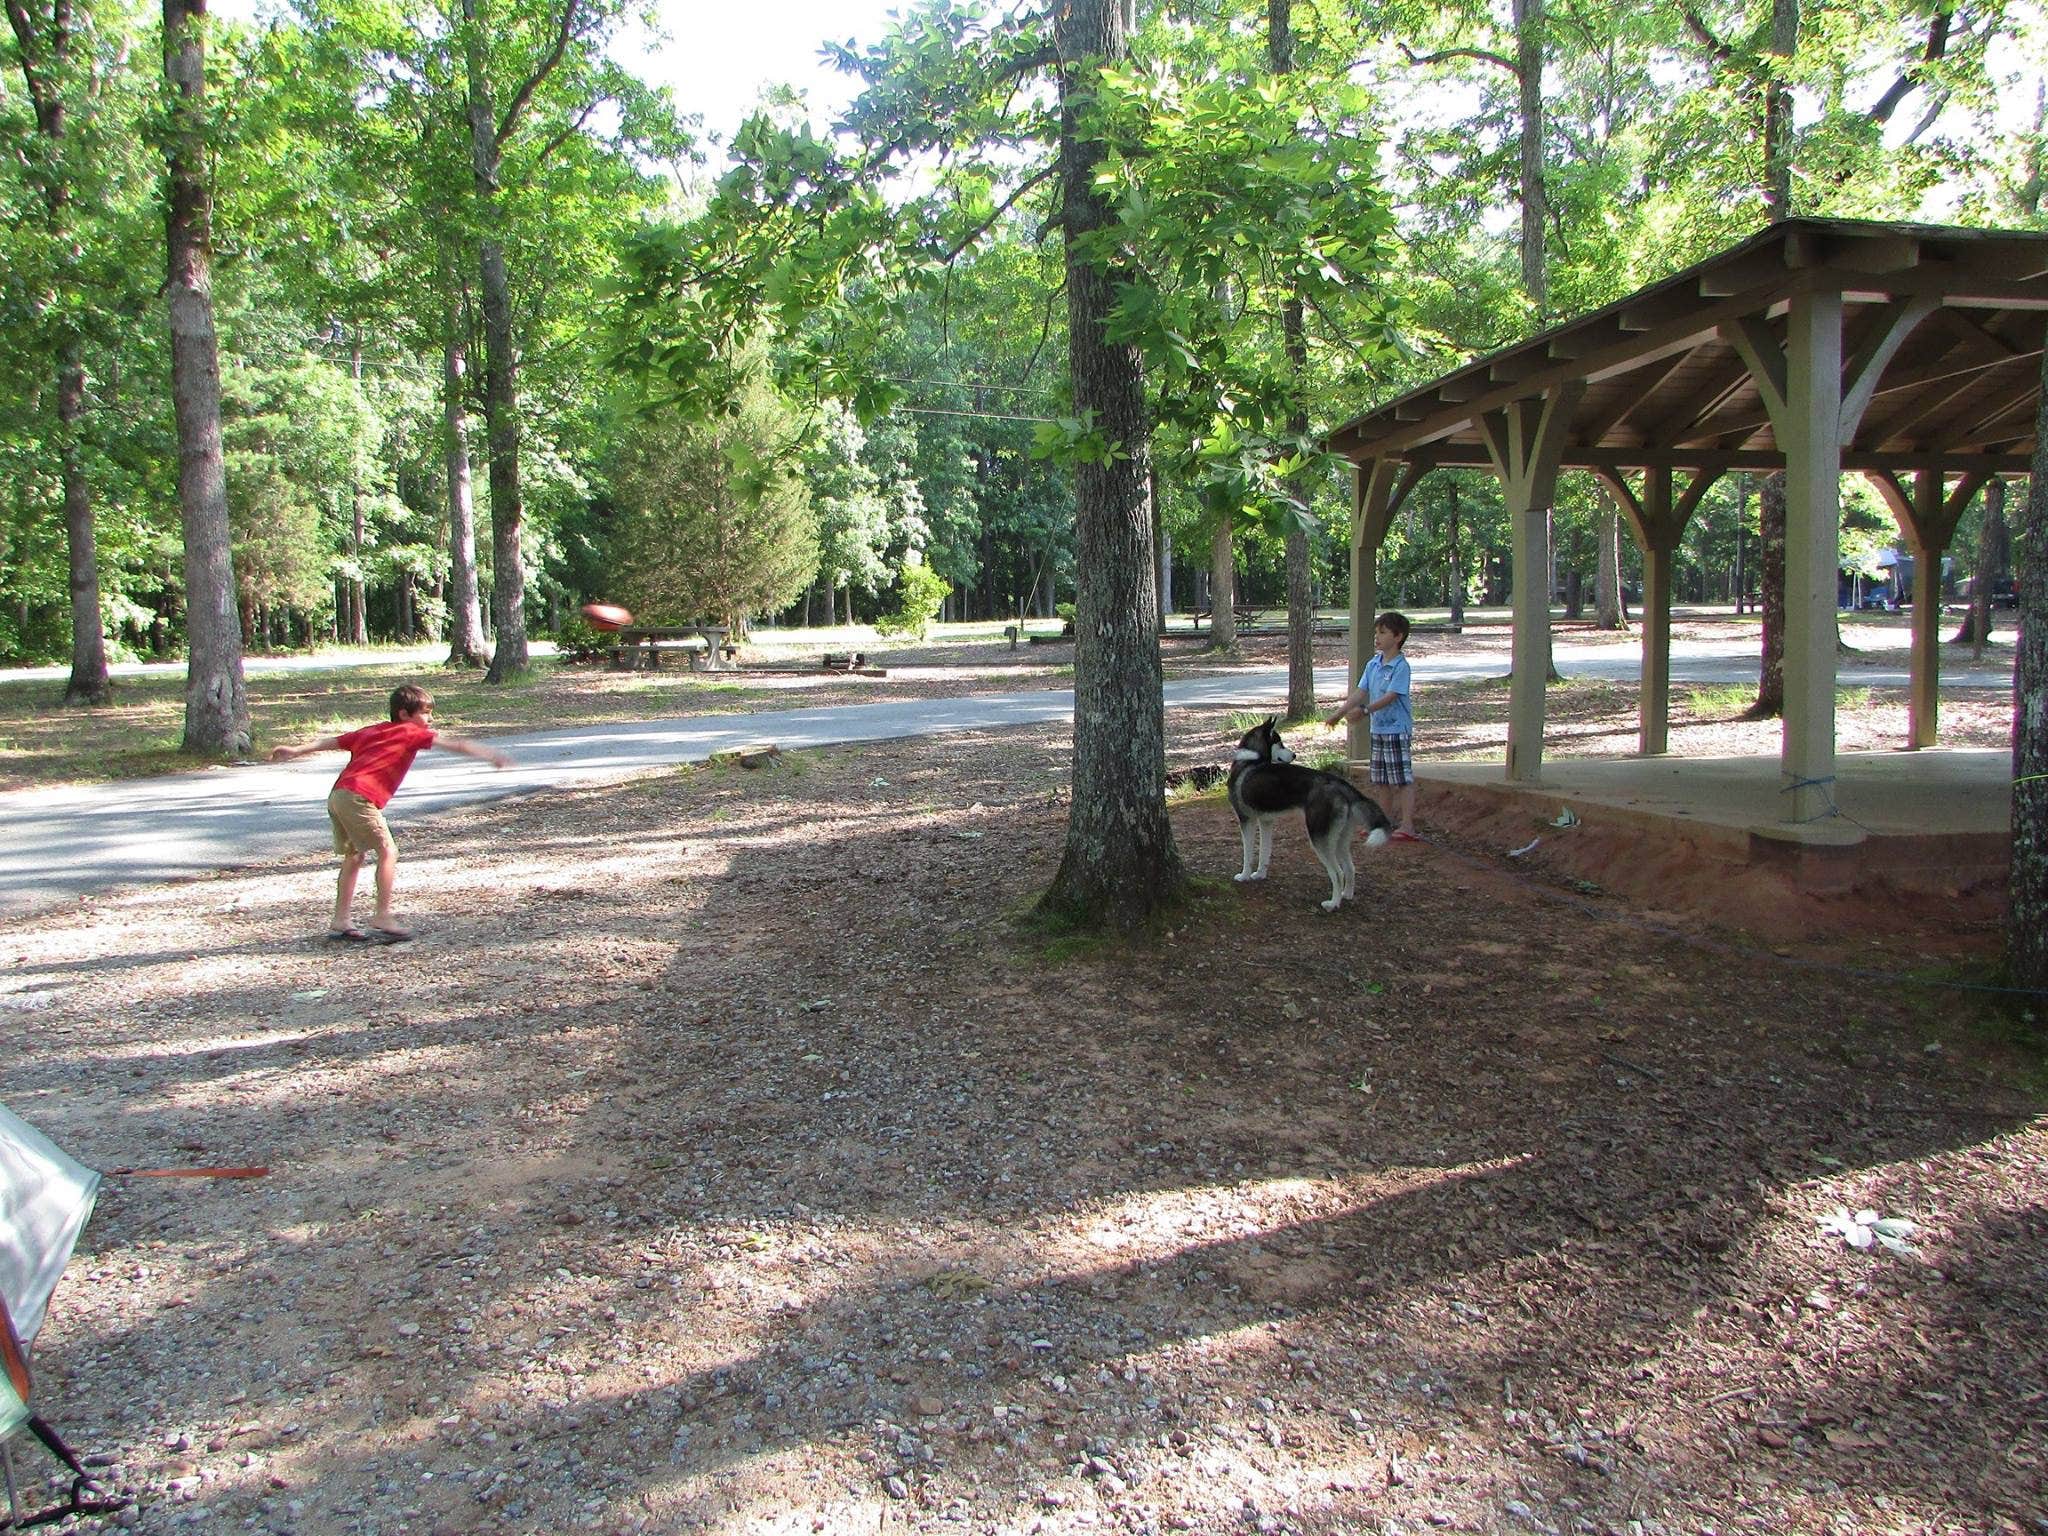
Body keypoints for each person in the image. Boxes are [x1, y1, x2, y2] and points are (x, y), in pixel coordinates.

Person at [269, 683, 512, 942]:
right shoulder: (410, 732)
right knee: (388, 851)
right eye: (425, 713)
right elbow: (457, 745)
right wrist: (490, 755)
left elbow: (335, 741)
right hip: (359, 797)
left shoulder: (373, 731)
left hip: (339, 795)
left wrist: (297, 750)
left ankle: (341, 920)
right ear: (404, 714)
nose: (430, 719)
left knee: (354, 856)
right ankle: (382, 915)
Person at [1325, 610, 1421, 842]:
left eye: (1383, 632)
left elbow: (1391, 696)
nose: (1377, 637)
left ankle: (1407, 825)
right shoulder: (1373, 665)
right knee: (1382, 779)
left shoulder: (1401, 667)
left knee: (1401, 779)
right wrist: (1339, 713)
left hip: (1397, 730)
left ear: (1398, 637)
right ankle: (1382, 822)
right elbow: (1360, 692)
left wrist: (1366, 711)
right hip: (1378, 730)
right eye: (1376, 632)